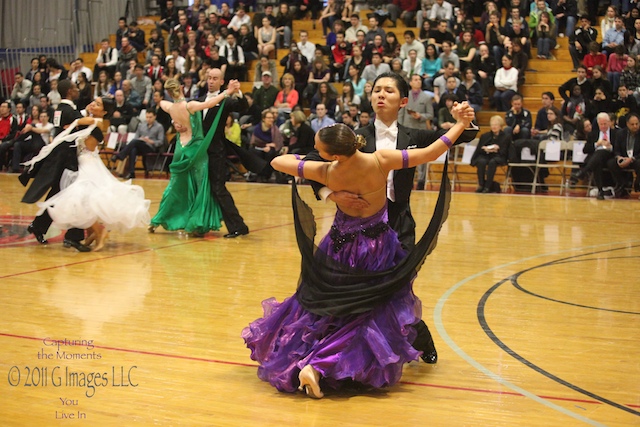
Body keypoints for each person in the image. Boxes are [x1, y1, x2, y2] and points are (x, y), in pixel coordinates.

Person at [243, 102, 475, 399]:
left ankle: (313, 362)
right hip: (376, 246)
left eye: (317, 145)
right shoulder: (381, 160)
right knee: (366, 312)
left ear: (334, 154)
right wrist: (457, 124)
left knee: (330, 307)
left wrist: (330, 189)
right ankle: (318, 365)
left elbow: (278, 162)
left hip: (338, 245)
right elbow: (431, 152)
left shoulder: (327, 171)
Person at [305, 72, 479, 365]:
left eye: (388, 90)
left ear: (402, 101)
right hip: (358, 228)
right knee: (359, 289)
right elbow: (313, 159)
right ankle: (358, 351)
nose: (380, 95)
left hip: (398, 223)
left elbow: (461, 137)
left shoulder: (415, 136)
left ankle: (418, 338)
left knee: (397, 286)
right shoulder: (352, 137)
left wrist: (465, 120)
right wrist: (330, 195)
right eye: (376, 90)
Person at [34, 97, 150, 251]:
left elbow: (81, 130)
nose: (93, 105)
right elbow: (77, 123)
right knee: (85, 199)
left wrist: (73, 125)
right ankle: (91, 233)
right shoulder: (90, 120)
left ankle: (98, 232)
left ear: (104, 111)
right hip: (82, 162)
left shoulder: (97, 123)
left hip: (87, 163)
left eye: (98, 104)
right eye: (94, 102)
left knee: (85, 199)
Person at [149, 77, 240, 235]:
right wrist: (228, 92)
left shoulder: (169, 106)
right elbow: (209, 104)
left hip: (180, 149)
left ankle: (158, 220)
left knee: (175, 186)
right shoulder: (190, 105)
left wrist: (174, 121)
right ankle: (196, 223)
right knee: (200, 186)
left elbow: (161, 103)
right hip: (195, 150)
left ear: (169, 92)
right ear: (182, 88)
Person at [20, 80, 90, 251]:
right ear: (69, 91)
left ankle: (39, 226)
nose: (77, 91)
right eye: (75, 89)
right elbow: (85, 123)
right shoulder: (69, 111)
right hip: (67, 160)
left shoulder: (59, 109)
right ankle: (73, 236)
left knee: (58, 194)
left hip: (60, 157)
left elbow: (72, 124)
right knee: (76, 194)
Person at [572, 112, 618, 200]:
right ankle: (600, 192)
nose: (603, 126)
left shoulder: (615, 133)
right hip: (597, 159)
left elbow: (619, 149)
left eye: (605, 124)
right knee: (598, 160)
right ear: (598, 124)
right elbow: (585, 150)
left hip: (610, 157)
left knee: (601, 153)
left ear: (609, 123)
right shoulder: (593, 134)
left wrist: (610, 147)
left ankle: (584, 171)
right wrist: (597, 144)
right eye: (601, 124)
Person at [111, 109, 165, 179]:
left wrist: (150, 141)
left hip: (150, 147)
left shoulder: (159, 127)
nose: (148, 119)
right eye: (147, 117)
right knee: (133, 149)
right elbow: (136, 137)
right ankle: (132, 173)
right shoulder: (141, 125)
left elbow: (161, 141)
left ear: (155, 117)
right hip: (139, 144)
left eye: (150, 117)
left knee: (134, 142)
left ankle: (120, 155)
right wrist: (141, 139)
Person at [471, 115, 509, 193]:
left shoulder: (506, 137)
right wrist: (485, 149)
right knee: (481, 161)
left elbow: (505, 151)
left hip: (499, 156)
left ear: (500, 126)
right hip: (486, 155)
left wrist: (497, 149)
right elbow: (479, 149)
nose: (494, 127)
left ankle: (488, 186)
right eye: (492, 125)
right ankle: (481, 185)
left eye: (496, 125)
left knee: (493, 162)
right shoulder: (485, 136)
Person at [607, 112, 640, 197]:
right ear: (627, 124)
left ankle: (637, 184)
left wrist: (631, 159)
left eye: (637, 124)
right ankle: (622, 184)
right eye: (632, 124)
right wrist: (618, 157)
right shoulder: (620, 133)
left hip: (636, 159)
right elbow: (616, 149)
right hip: (623, 158)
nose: (635, 126)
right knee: (611, 163)